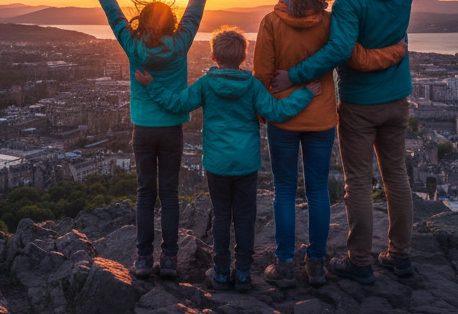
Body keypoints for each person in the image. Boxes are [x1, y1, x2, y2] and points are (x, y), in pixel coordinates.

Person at [271, 0, 450, 282]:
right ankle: (400, 256)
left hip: (358, 104)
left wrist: (295, 75)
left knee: (357, 181)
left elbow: (338, 50)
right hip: (397, 101)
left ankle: (360, 262)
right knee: (396, 177)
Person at [253, 0, 410, 288]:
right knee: (318, 191)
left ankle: (283, 264)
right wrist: (397, 49)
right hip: (322, 119)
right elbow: (349, 54)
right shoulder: (329, 21)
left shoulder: (270, 23)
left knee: (283, 189)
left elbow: (261, 77)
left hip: (282, 118)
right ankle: (317, 264)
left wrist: (266, 111)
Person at [135, 27, 320, 291]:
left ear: (213, 56)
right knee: (245, 217)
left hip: (217, 164)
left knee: (222, 217)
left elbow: (176, 103)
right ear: (244, 56)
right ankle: (243, 273)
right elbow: (277, 112)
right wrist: (306, 93)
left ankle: (221, 272)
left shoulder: (206, 84)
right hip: (246, 163)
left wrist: (151, 85)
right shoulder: (253, 85)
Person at [92, 0, 213, 280]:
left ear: (142, 22)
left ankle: (144, 259)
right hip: (172, 128)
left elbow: (115, 17)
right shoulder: (181, 44)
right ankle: (170, 258)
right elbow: (194, 15)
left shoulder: (134, 46)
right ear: (171, 23)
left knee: (146, 193)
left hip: (143, 128)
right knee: (170, 194)